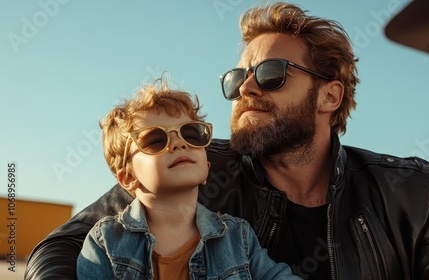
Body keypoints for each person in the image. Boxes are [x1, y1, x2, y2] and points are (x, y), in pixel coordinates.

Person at [25, 2, 429, 279]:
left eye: (272, 74)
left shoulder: (413, 190)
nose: (247, 88)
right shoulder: (187, 165)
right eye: (237, 79)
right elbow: (57, 248)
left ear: (329, 96)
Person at [75, 78, 300, 279]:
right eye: (155, 140)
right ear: (128, 178)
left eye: (191, 134)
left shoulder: (237, 237)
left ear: (207, 167)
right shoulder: (105, 241)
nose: (180, 143)